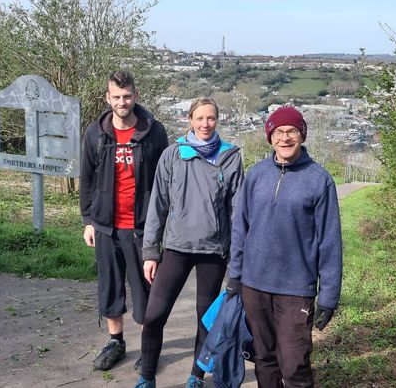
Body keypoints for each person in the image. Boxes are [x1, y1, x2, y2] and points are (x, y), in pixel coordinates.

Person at [226, 106, 343, 388]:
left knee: (294, 365)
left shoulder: (319, 179)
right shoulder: (256, 175)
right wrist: (235, 274)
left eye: (292, 131)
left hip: (295, 290)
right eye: (278, 132)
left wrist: (328, 295)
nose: (285, 138)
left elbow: (330, 241)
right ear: (270, 137)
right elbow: (241, 228)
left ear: (302, 134)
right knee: (264, 359)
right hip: (255, 286)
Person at [133, 97, 244, 388]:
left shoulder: (230, 156)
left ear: (217, 121)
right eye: (200, 118)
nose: (205, 124)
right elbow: (157, 205)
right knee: (154, 314)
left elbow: (237, 212)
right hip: (177, 247)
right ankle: (147, 376)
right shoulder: (173, 154)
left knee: (205, 318)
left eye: (211, 119)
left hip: (214, 251)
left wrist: (237, 258)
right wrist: (150, 252)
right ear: (190, 120)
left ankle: (196, 376)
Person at [79, 71, 168, 371]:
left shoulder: (154, 132)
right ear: (107, 98)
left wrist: (160, 227)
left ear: (136, 95)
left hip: (141, 227)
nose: (122, 102)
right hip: (106, 225)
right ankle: (116, 341)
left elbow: (164, 181)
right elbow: (87, 179)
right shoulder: (96, 133)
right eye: (116, 97)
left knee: (145, 289)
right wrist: (88, 220)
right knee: (110, 286)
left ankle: (147, 347)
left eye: (127, 96)